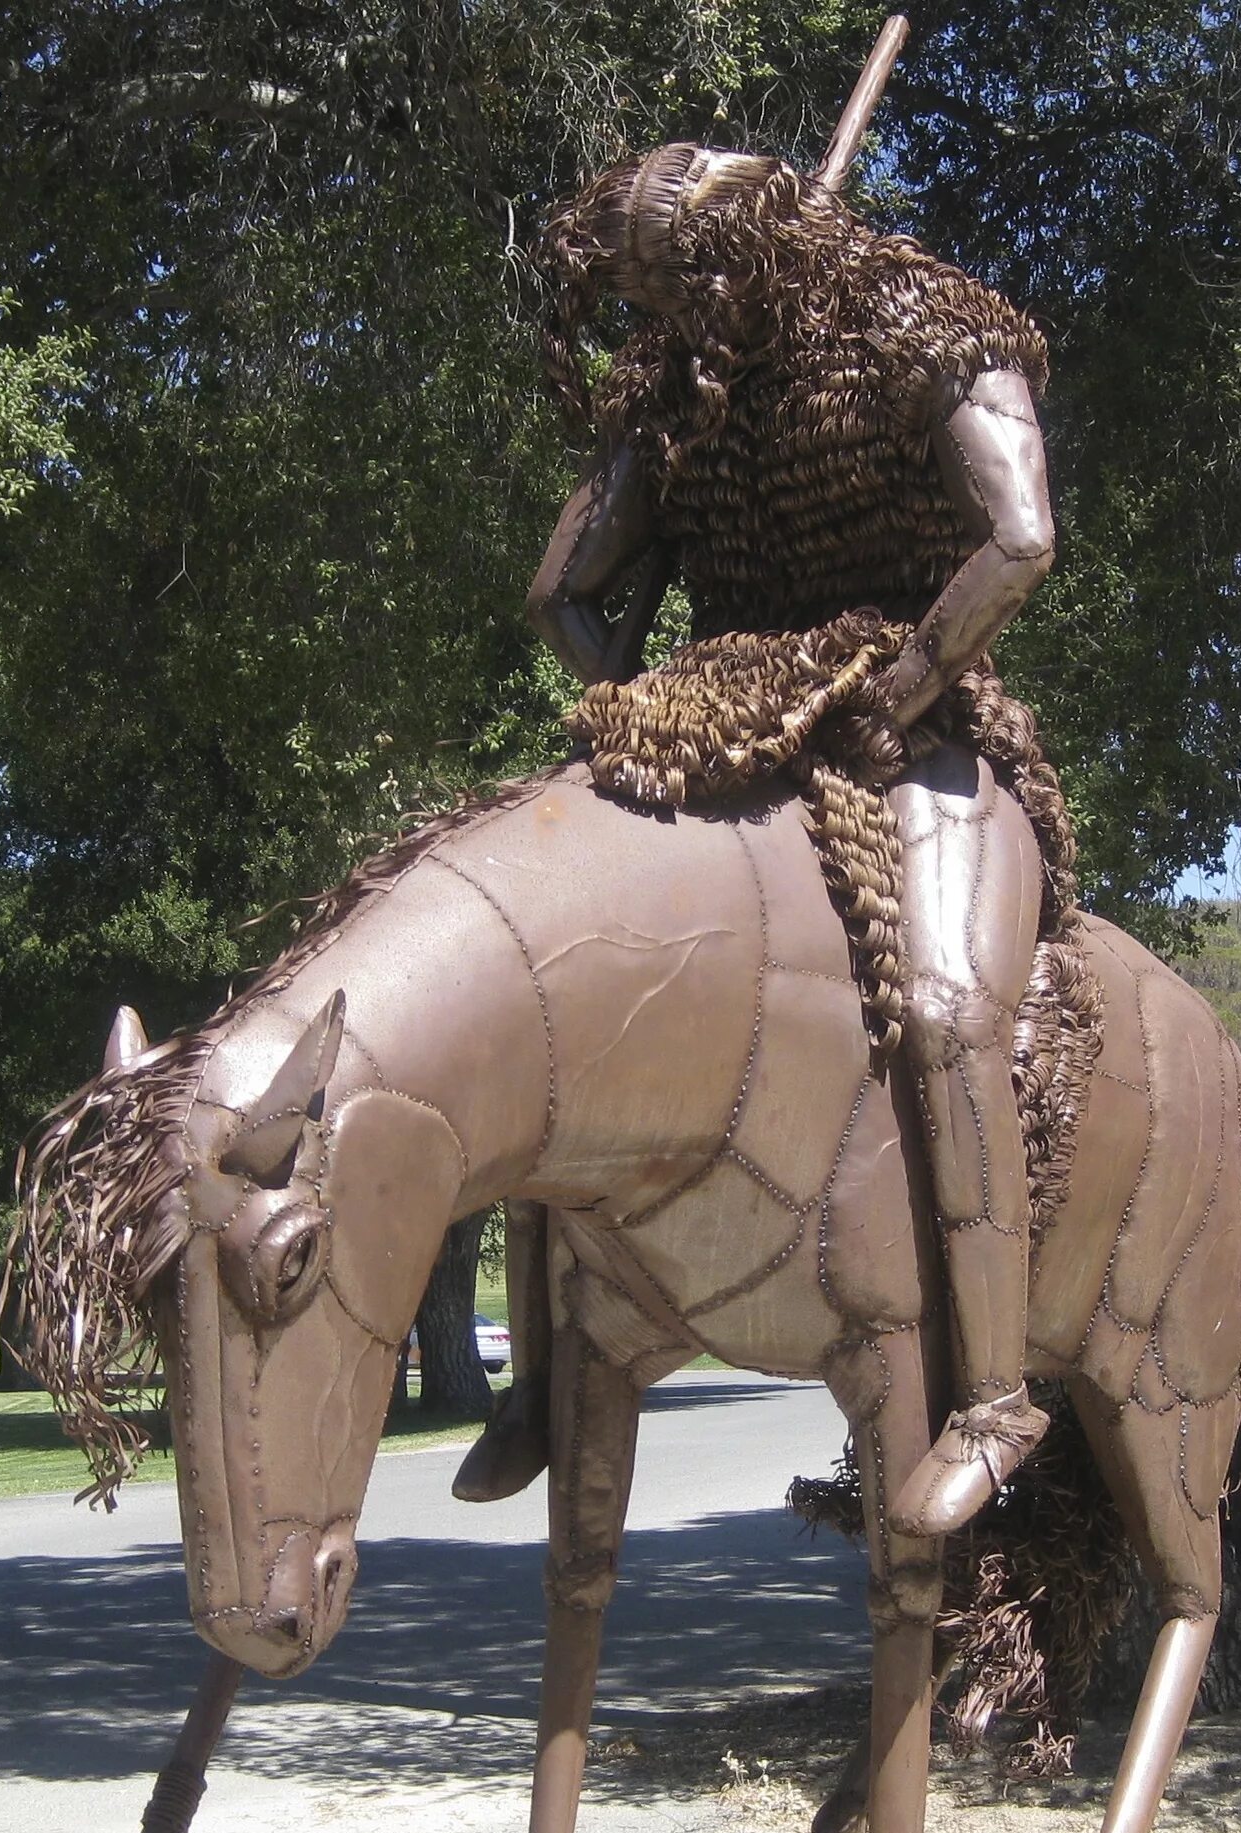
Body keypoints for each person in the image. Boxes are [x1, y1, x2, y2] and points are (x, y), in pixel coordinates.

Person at [456, 141, 1066, 1535]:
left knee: (946, 1005)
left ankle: (995, 1395)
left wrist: (904, 687)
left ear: (751, 254)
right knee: (557, 972)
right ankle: (546, 1371)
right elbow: (561, 589)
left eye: (685, 289)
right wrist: (615, 679)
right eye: (651, 299)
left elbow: (1022, 537)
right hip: (717, 708)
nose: (672, 321)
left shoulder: (929, 332)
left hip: (905, 715)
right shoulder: (679, 384)